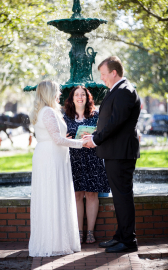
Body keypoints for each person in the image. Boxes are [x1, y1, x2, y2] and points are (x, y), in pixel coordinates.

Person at [83, 56, 141, 253]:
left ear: (114, 73)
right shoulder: (116, 90)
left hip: (121, 153)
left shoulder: (125, 91)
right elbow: (109, 121)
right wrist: (95, 134)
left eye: (104, 75)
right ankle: (120, 236)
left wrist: (96, 139)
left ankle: (129, 241)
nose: (102, 79)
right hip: (115, 152)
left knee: (123, 197)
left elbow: (115, 123)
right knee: (119, 197)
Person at [29, 80, 88, 257]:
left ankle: (58, 240)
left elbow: (56, 136)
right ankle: (53, 242)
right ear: (49, 93)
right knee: (52, 196)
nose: (59, 93)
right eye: (57, 90)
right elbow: (57, 139)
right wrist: (81, 143)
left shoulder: (49, 111)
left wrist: (66, 138)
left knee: (56, 196)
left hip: (55, 156)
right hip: (50, 158)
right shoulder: (47, 112)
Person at [63, 85, 110, 244]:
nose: (80, 97)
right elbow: (60, 137)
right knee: (76, 195)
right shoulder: (65, 117)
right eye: (77, 94)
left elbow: (103, 134)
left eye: (83, 94)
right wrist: (65, 137)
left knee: (91, 194)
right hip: (74, 159)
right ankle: (79, 232)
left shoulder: (96, 115)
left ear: (88, 98)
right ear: (72, 98)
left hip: (92, 158)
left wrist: (94, 137)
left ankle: (90, 231)